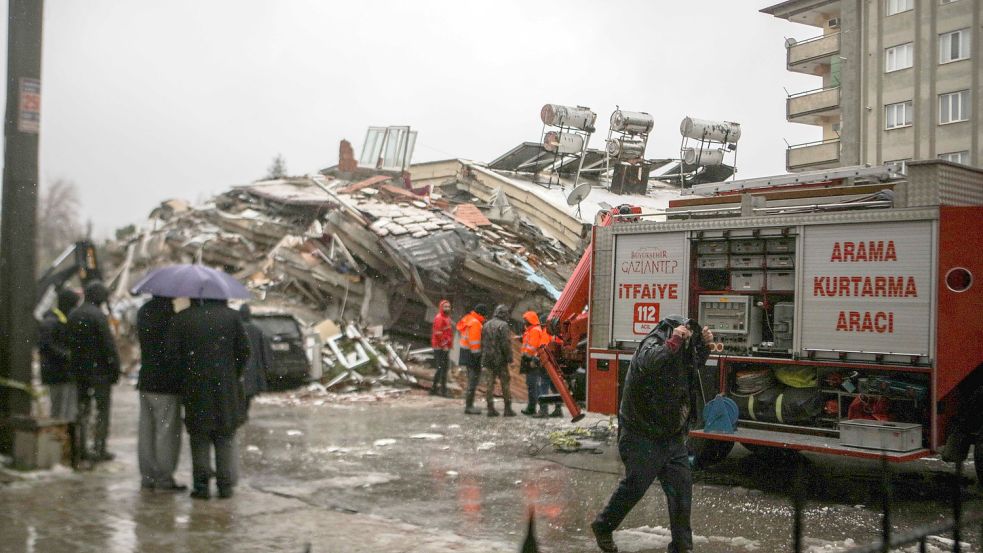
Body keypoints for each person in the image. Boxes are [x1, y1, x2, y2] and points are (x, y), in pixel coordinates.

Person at [591, 315, 713, 553]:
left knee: (681, 490)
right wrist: (674, 341)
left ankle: (681, 547)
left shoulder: (680, 351)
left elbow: (693, 366)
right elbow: (649, 361)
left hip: (670, 435)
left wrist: (704, 345)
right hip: (640, 433)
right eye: (681, 336)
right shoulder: (653, 343)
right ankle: (603, 526)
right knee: (636, 486)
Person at [166, 298, 251, 500]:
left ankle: (201, 487)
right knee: (225, 436)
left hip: (195, 387)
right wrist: (231, 372)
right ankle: (225, 486)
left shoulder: (183, 318)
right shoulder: (231, 317)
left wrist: (185, 376)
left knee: (199, 436)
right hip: (225, 387)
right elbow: (245, 351)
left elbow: (172, 354)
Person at [135, 296, 185, 492]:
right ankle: (164, 479)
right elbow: (173, 352)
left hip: (146, 380)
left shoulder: (143, 313)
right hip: (166, 384)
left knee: (146, 430)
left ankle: (147, 476)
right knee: (166, 432)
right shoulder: (170, 317)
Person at [68, 281, 121, 462]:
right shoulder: (98, 316)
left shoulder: (74, 314)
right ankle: (99, 448)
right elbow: (109, 346)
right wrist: (116, 368)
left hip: (79, 371)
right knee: (102, 411)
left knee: (83, 410)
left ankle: (81, 447)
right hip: (100, 372)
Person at [40, 288, 80, 421]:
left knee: (64, 410)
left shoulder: (61, 320)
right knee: (58, 411)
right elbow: (47, 345)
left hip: (62, 373)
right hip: (56, 373)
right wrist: (66, 355)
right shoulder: (51, 322)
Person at [481, 304, 516, 417]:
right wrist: (510, 358)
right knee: (505, 383)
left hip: (488, 358)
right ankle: (507, 408)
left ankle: (490, 408)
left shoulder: (486, 325)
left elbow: (483, 341)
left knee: (489, 384)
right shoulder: (504, 325)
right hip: (500, 359)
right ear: (504, 314)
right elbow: (505, 344)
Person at [239, 304, 272, 414]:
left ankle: (241, 411)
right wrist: (267, 367)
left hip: (240, 366)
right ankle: (244, 411)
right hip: (253, 367)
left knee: (240, 391)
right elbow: (264, 351)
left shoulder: (236, 329)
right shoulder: (256, 330)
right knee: (248, 393)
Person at [458, 303, 489, 415]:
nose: (485, 318)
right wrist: (478, 357)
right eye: (485, 316)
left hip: (465, 353)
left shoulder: (469, 319)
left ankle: (469, 405)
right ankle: (469, 406)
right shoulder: (476, 323)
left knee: (471, 381)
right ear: (481, 314)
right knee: (473, 381)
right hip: (472, 356)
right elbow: (475, 342)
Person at [519, 310, 548, 416]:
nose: (524, 322)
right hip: (529, 360)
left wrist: (530, 358)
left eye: (525, 320)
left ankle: (535, 408)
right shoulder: (531, 330)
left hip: (532, 361)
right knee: (532, 385)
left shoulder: (534, 330)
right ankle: (532, 407)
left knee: (533, 385)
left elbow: (533, 347)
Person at [430, 299, 453, 397]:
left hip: (444, 346)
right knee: (441, 368)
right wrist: (444, 345)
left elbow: (447, 333)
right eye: (445, 306)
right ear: (441, 307)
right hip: (440, 347)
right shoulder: (440, 318)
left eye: (448, 306)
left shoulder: (447, 318)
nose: (447, 308)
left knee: (443, 368)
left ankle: (438, 389)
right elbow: (438, 333)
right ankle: (439, 390)